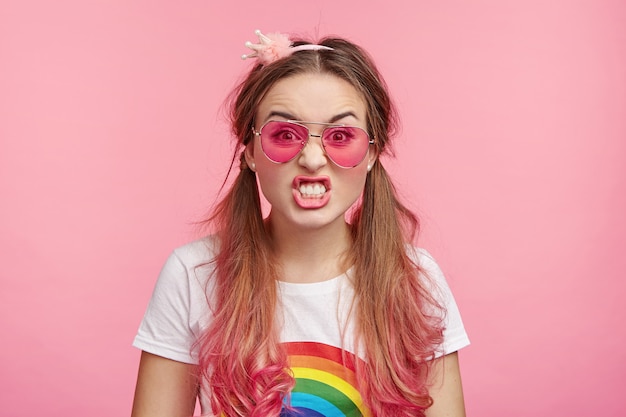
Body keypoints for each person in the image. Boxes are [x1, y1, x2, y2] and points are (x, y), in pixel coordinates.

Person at [131, 30, 470, 417]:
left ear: (372, 154)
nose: (312, 158)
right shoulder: (193, 276)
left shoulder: (416, 279)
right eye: (285, 134)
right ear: (251, 153)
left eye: (341, 135)